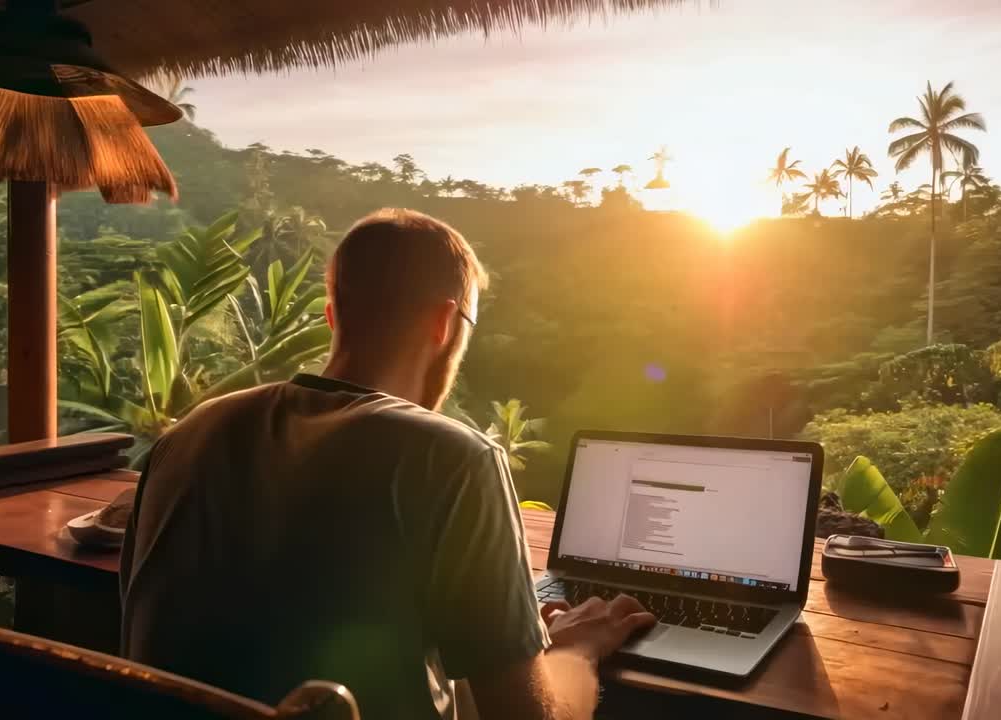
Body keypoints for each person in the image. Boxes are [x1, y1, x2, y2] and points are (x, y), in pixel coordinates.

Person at [120, 209, 655, 719]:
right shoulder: (453, 457)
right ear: (445, 322)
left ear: (334, 315)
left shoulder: (188, 433)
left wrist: (511, 634)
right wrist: (577, 650)